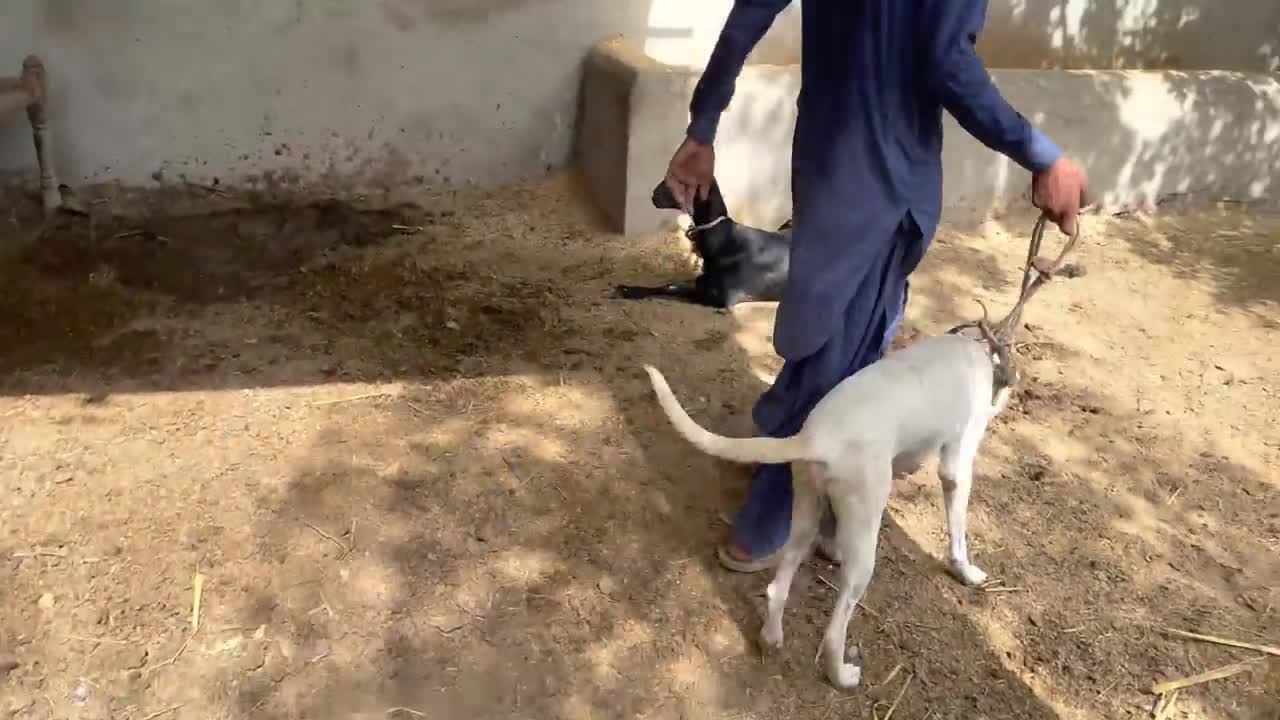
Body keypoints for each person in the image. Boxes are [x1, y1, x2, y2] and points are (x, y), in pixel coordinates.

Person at [663, 0, 1090, 572]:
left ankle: (784, 462)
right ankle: (767, 519)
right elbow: (946, 60)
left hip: (825, 156)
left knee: (836, 327)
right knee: (844, 351)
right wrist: (1041, 155)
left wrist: (703, 126)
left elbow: (747, 16)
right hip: (888, 179)